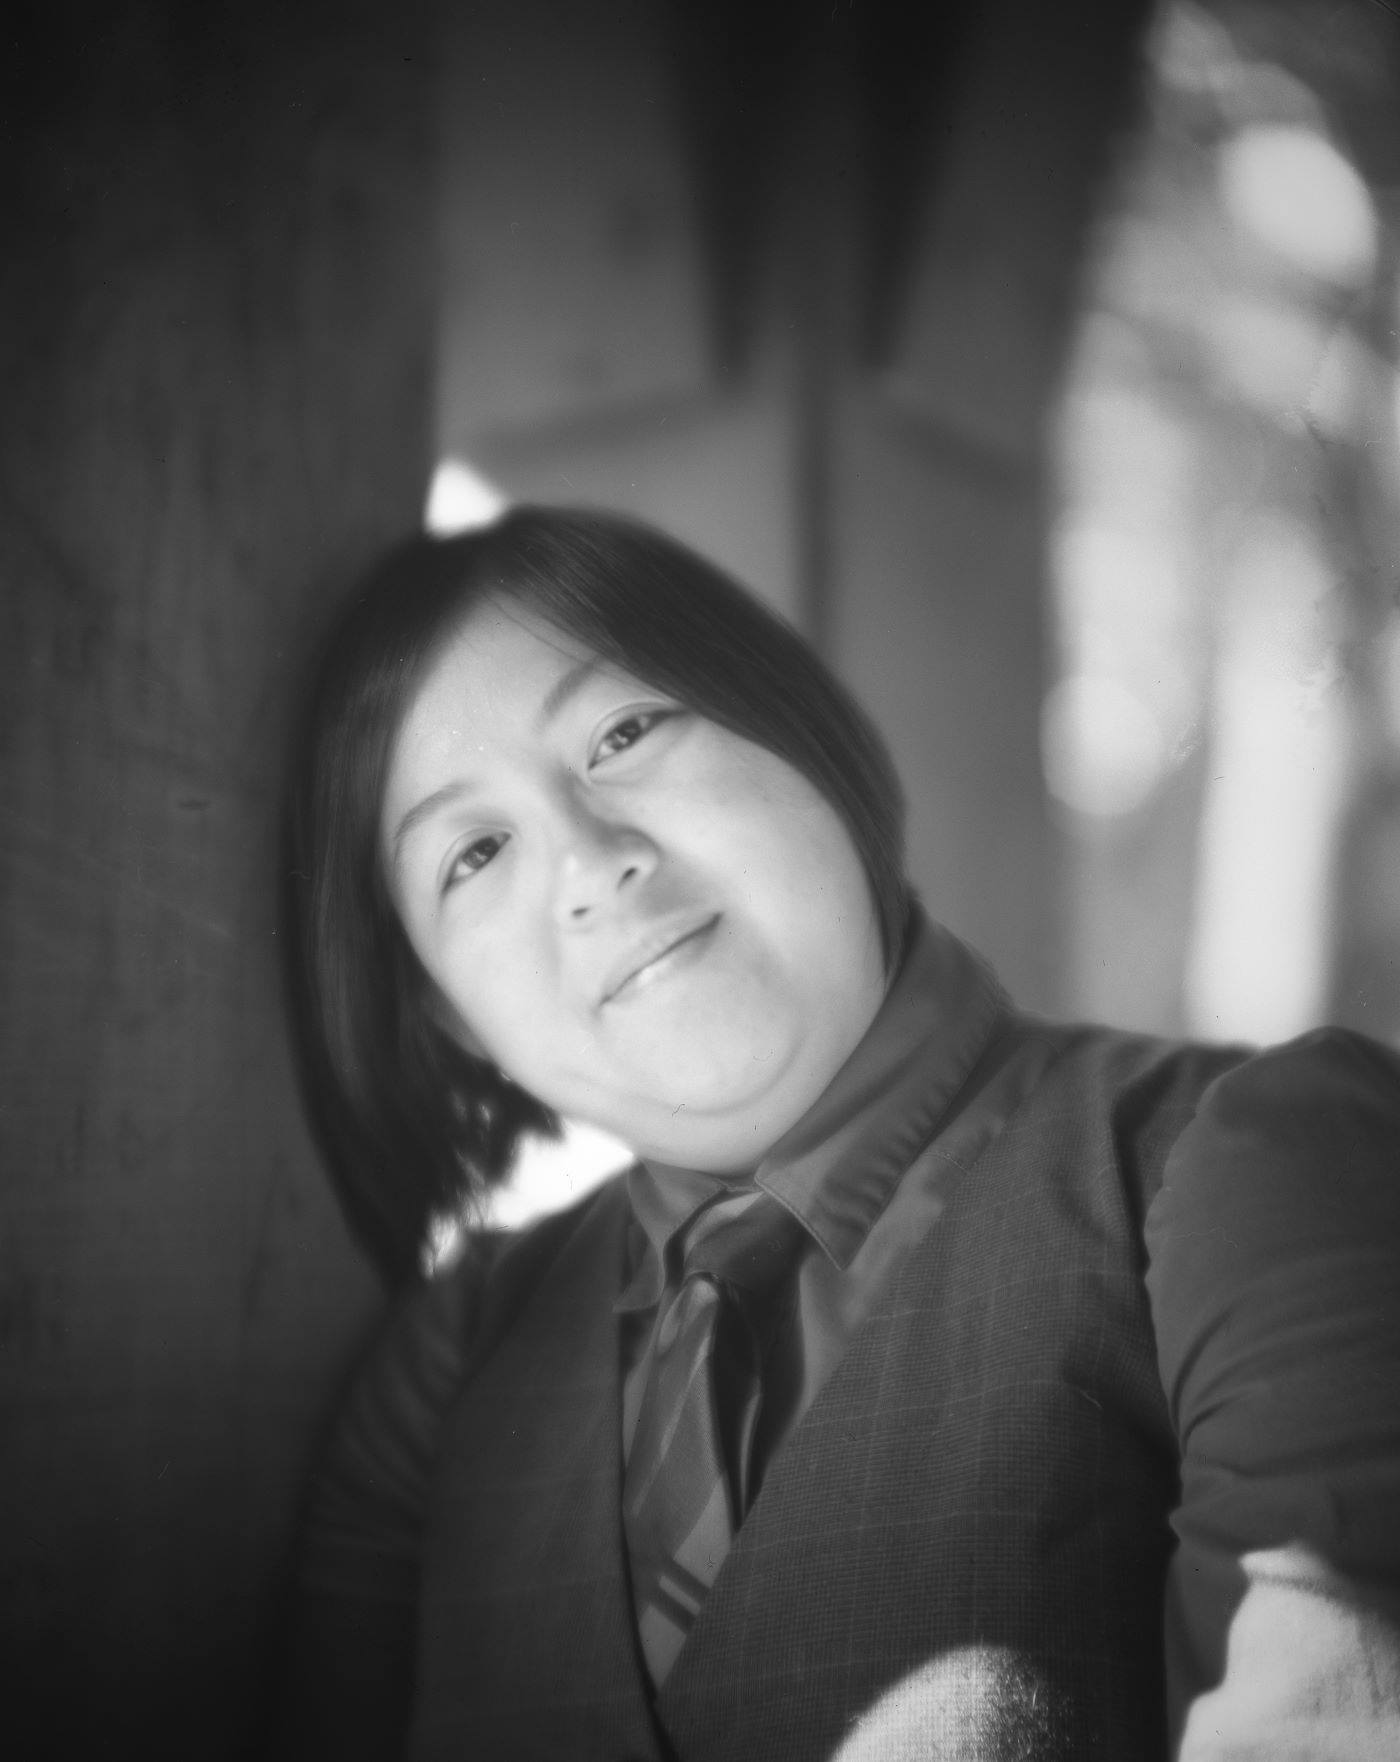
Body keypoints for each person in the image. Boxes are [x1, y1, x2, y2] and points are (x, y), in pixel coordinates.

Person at [275, 505, 1400, 1761]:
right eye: (474, 851)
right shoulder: (445, 1374)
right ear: (447, 1012)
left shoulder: (1257, 1165)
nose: (590, 863)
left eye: (623, 732)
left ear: (792, 728)